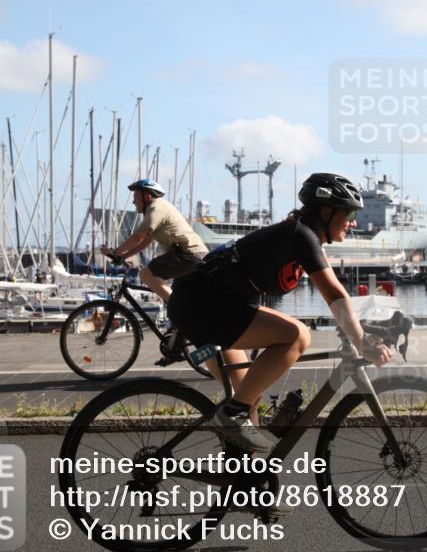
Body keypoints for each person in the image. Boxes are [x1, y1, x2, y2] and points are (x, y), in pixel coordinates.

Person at [167, 172, 393, 454]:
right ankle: (232, 416)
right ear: (326, 212)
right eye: (348, 214)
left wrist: (358, 329)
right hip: (201, 305)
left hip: (210, 304)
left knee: (249, 394)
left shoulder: (301, 235)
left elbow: (334, 294)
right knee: (298, 335)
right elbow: (334, 294)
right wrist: (361, 341)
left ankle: (243, 474)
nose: (353, 222)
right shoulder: (301, 235)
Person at [100, 179, 208, 302]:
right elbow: (146, 240)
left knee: (145, 274)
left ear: (147, 196)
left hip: (188, 254)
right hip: (195, 254)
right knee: (177, 289)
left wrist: (115, 252)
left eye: (136, 196)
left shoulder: (156, 207)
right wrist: (124, 256)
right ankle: (180, 310)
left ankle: (177, 307)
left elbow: (138, 237)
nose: (133, 201)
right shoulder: (158, 208)